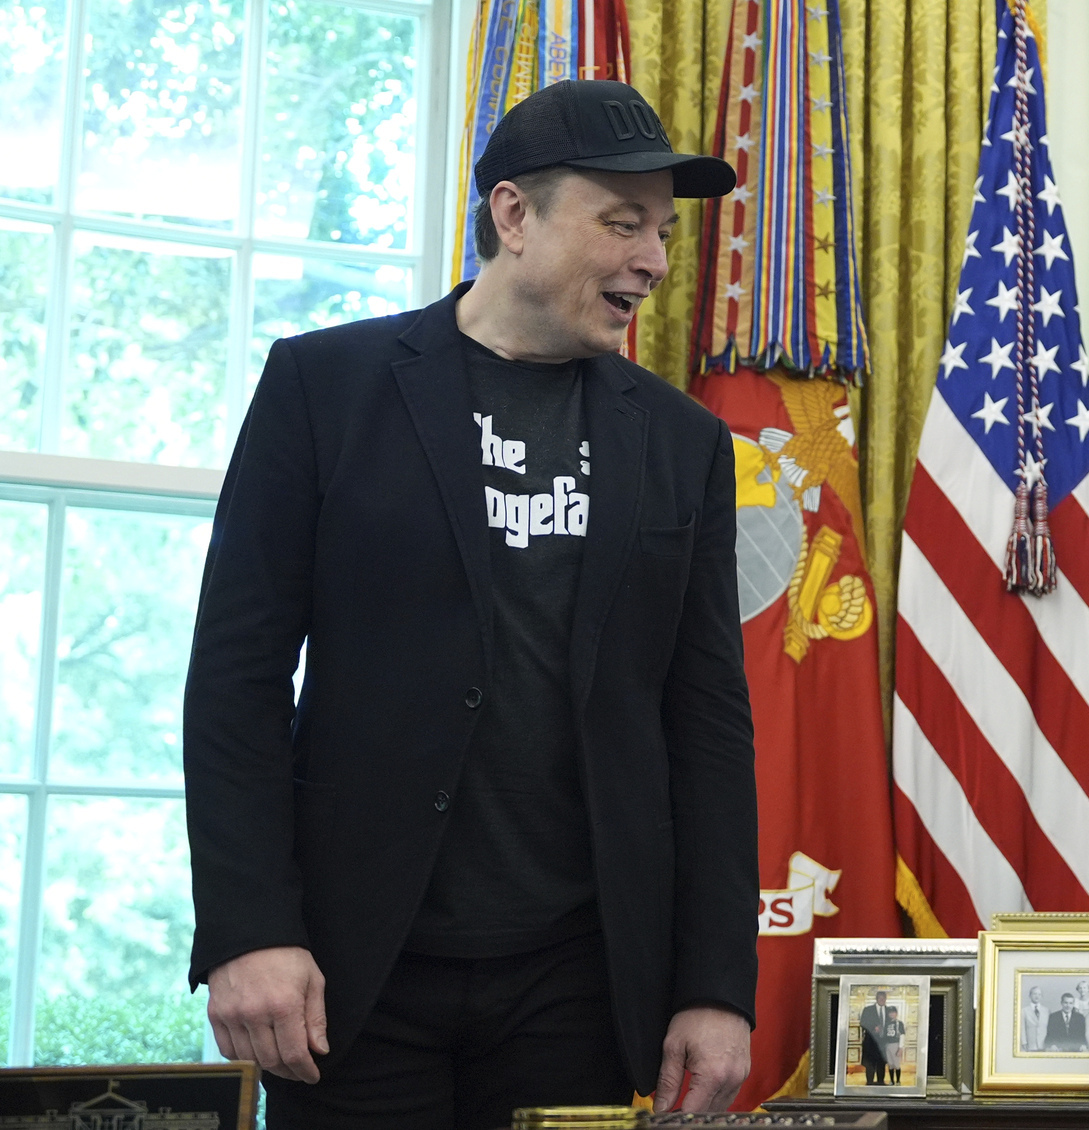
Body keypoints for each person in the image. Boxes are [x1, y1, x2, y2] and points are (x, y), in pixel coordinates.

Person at [183, 79, 757, 1129]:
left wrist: (716, 983)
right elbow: (236, 675)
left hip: (578, 982)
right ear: (514, 214)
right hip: (349, 976)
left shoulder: (685, 444)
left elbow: (708, 719)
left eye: (664, 233)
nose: (654, 261)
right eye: (622, 223)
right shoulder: (325, 386)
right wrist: (248, 926)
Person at [858, 991, 890, 1086]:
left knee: (881, 1063)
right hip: (870, 1042)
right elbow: (863, 1023)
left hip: (883, 1043)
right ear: (876, 999)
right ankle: (870, 1083)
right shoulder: (868, 1010)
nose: (882, 1000)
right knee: (870, 1064)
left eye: (884, 998)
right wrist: (873, 1028)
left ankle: (881, 1083)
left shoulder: (889, 1010)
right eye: (880, 998)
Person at [884, 1005, 907, 1085]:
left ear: (896, 1013)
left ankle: (898, 1081)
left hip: (895, 1045)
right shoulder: (886, 1023)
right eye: (890, 1013)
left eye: (893, 1012)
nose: (891, 1014)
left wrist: (900, 1048)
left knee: (896, 1064)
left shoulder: (899, 1023)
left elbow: (902, 1035)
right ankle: (891, 1080)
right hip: (887, 1045)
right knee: (890, 1064)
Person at [1021, 986, 1048, 1053]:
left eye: (1039, 994)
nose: (1037, 996)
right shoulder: (1024, 1011)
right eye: (1034, 994)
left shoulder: (1047, 1010)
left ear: (1041, 996)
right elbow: (1022, 1027)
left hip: (1044, 1044)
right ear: (1030, 995)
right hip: (1030, 1044)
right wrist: (1024, 1042)